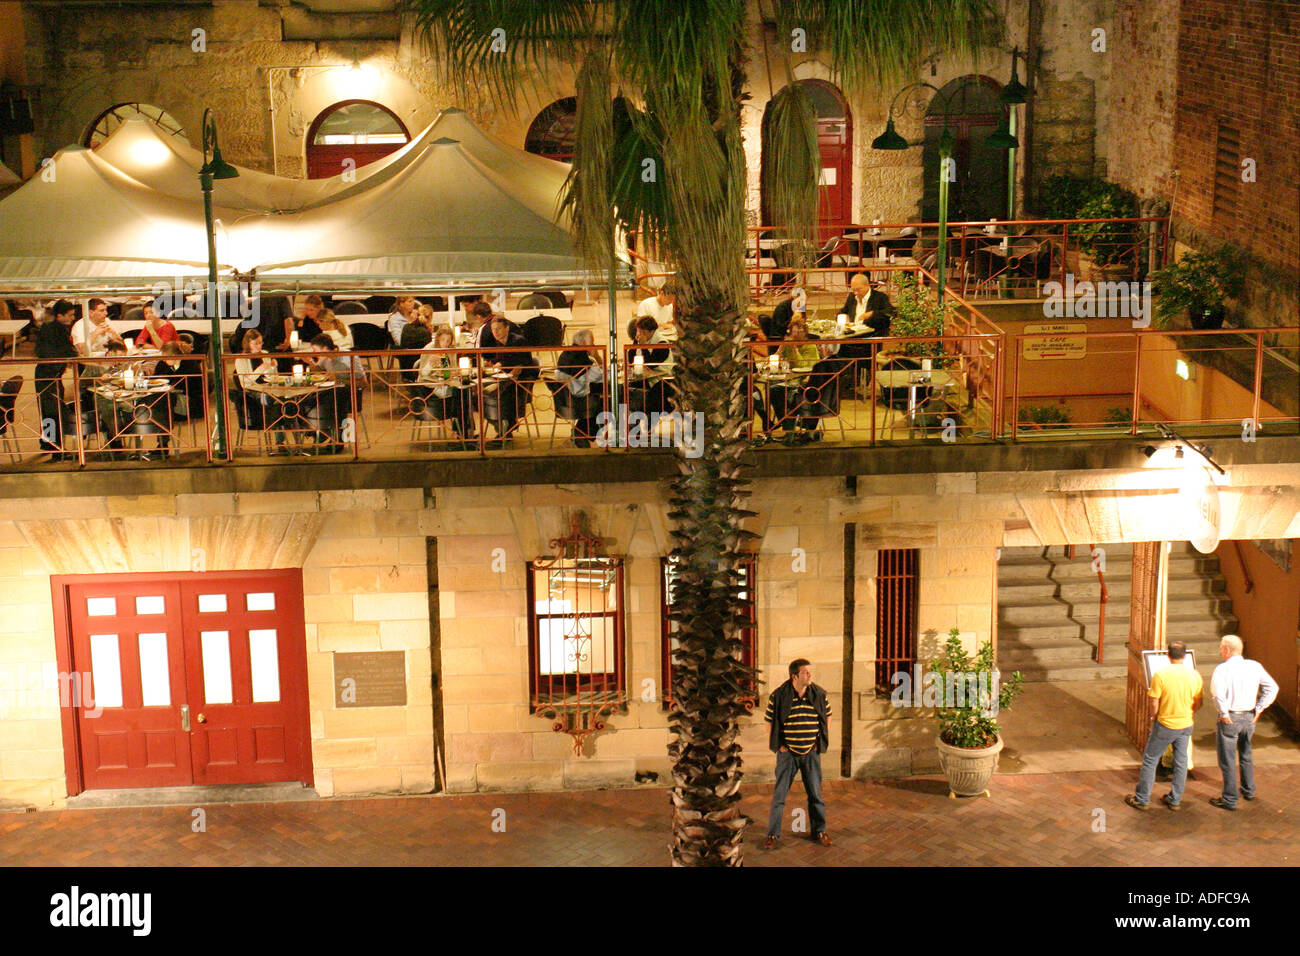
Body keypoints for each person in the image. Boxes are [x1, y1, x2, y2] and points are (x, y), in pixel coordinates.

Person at [763, 659, 832, 849]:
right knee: (779, 796)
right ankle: (773, 835)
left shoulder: (818, 694)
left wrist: (819, 741)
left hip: (810, 752)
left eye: (810, 671)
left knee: (815, 795)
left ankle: (820, 830)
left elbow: (828, 716)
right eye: (805, 672)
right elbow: (769, 721)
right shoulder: (779, 696)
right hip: (788, 755)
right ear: (794, 676)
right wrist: (779, 745)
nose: (809, 675)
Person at [1126, 640, 1203, 811]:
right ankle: (1175, 799)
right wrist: (1188, 714)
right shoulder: (1195, 675)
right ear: (1184, 655)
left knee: (1150, 759)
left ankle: (1142, 798)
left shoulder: (1161, 675)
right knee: (1181, 762)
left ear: (1168, 655)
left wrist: (1154, 718)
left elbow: (1154, 701)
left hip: (1166, 724)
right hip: (1185, 723)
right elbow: (1199, 702)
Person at [1208, 634, 1278, 811]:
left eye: (1221, 648)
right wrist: (1259, 708)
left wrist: (1223, 714)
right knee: (1246, 753)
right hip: (1249, 717)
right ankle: (1249, 790)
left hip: (1231, 717)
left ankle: (1230, 798)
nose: (1220, 651)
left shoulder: (1222, 670)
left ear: (1226, 650)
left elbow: (1218, 695)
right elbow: (1272, 687)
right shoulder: (1255, 666)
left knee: (1227, 759)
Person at [477, 314, 537, 444]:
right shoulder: (499, 343)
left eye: (498, 328)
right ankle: (503, 427)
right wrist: (491, 364)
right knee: (478, 394)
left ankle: (505, 430)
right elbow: (502, 360)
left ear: (507, 328)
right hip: (506, 379)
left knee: (496, 395)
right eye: (493, 329)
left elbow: (522, 365)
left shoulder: (518, 341)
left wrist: (507, 372)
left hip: (521, 382)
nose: (495, 332)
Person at [414, 325, 475, 443]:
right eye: (443, 340)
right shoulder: (430, 349)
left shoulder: (449, 350)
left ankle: (465, 431)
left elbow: (446, 373)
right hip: (429, 387)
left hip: (444, 384)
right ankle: (463, 432)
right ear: (438, 339)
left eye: (448, 340)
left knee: (465, 392)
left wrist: (455, 372)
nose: (445, 343)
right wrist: (430, 364)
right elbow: (423, 374)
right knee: (460, 394)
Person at [34, 299, 77, 460]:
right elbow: (63, 350)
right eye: (71, 315)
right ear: (60, 315)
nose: (72, 318)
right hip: (48, 376)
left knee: (49, 411)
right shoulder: (55, 330)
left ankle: (48, 442)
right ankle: (55, 448)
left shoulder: (51, 328)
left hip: (48, 375)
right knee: (52, 412)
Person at [554, 329, 605, 447]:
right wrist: (597, 356)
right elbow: (603, 376)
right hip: (578, 402)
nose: (594, 345)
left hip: (563, 401)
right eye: (592, 342)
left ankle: (580, 433)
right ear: (583, 343)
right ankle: (581, 434)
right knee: (607, 402)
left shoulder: (566, 354)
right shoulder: (580, 357)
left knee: (601, 399)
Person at [398, 303, 435, 379]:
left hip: (405, 369)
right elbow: (429, 351)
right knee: (442, 357)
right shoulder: (424, 332)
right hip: (418, 370)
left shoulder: (406, 327)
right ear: (430, 317)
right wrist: (429, 333)